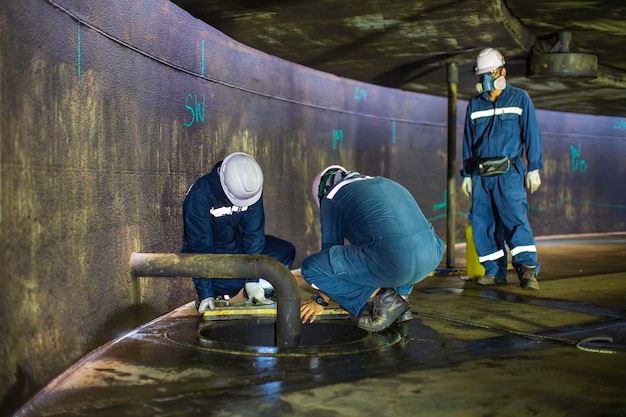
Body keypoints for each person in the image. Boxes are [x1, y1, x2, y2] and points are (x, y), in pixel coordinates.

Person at [295, 165, 445, 332]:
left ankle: (384, 301)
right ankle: (400, 300)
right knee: (393, 245)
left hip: (397, 263)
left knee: (312, 268)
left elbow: (330, 252)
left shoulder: (332, 197)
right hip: (432, 256)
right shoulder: (386, 183)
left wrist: (320, 300)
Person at [460, 47, 543, 290]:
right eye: (481, 75)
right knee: (484, 224)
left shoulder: (520, 99)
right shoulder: (475, 105)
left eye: (489, 73)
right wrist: (466, 174)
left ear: (502, 71)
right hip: (481, 174)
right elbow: (467, 141)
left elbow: (532, 135)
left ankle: (527, 272)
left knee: (515, 221)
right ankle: (494, 272)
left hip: (510, 172)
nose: (485, 79)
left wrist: (534, 168)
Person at [181, 152, 296, 313]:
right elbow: (200, 248)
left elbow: (254, 234)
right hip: (215, 256)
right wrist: (206, 293)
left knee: (284, 253)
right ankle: (230, 291)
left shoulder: (250, 188)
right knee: (225, 284)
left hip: (238, 249)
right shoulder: (200, 196)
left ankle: (254, 290)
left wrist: (253, 279)